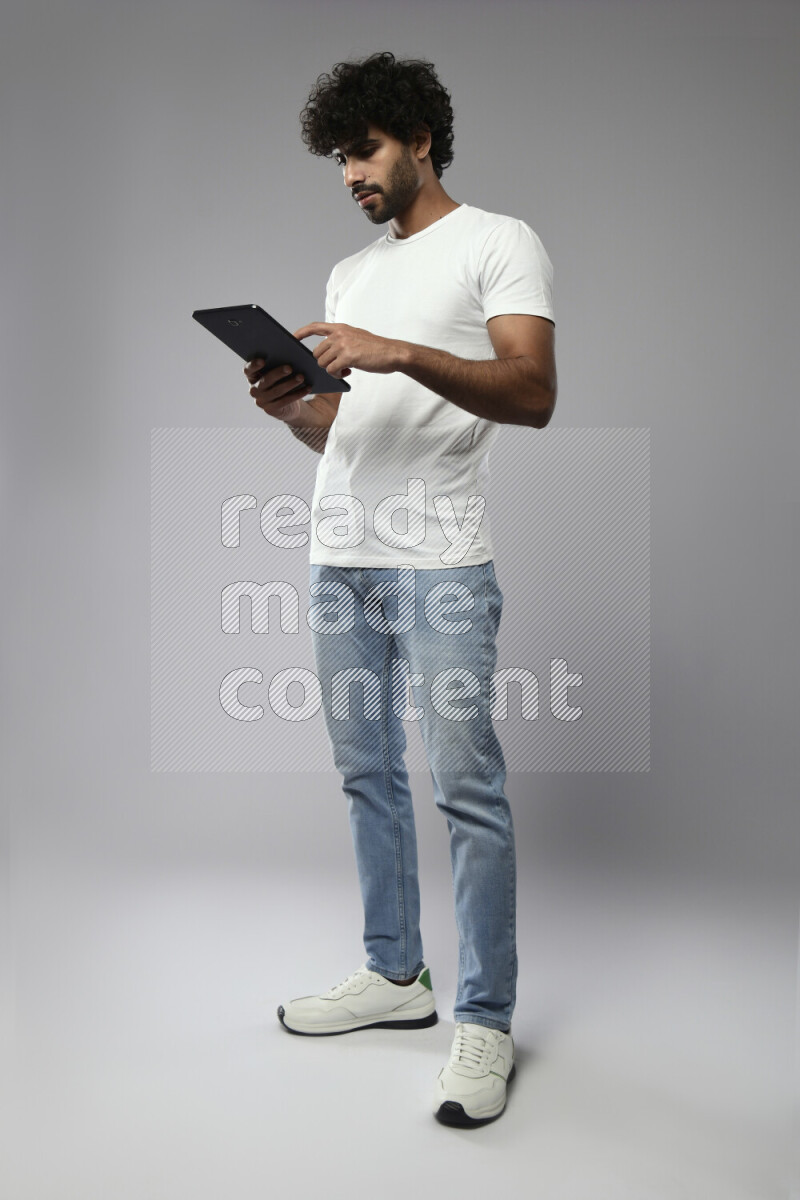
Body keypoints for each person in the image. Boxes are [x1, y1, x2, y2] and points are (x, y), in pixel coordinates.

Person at [244, 50, 556, 1126]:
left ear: (420, 139)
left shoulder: (498, 243)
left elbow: (531, 391)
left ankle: (484, 1019)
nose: (349, 173)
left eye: (364, 149)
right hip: (341, 553)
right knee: (364, 773)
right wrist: (290, 406)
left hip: (440, 563)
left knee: (465, 790)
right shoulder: (348, 274)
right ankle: (393, 977)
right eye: (338, 156)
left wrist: (398, 349)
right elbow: (347, 432)